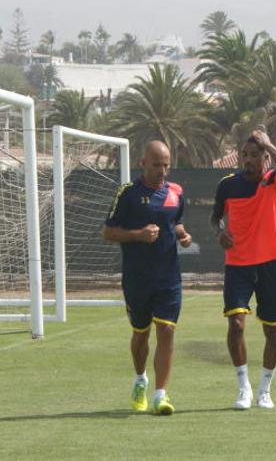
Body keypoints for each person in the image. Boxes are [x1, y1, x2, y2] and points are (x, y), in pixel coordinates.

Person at [210, 126, 276, 410]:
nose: (247, 160)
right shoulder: (227, 185)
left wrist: (269, 144)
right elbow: (215, 218)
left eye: (253, 155)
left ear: (265, 158)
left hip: (270, 264)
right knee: (236, 324)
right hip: (237, 265)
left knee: (272, 331)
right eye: (244, 155)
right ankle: (243, 387)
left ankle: (265, 389)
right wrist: (219, 231)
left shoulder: (274, 180)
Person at [102, 140, 193, 416]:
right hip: (137, 278)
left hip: (168, 278)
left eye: (166, 165)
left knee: (166, 331)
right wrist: (138, 235)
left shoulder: (175, 192)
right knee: (141, 334)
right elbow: (108, 232)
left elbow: (175, 222)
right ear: (143, 163)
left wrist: (183, 236)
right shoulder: (128, 193)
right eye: (156, 164)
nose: (162, 170)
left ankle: (160, 396)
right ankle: (141, 379)